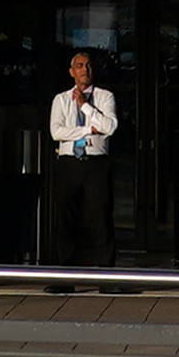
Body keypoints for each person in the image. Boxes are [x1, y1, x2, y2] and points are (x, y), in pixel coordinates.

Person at [39, 50, 124, 266]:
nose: (84, 70)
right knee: (65, 220)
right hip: (69, 163)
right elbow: (56, 132)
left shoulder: (105, 97)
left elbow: (109, 127)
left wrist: (84, 106)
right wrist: (88, 130)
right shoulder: (60, 99)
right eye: (79, 66)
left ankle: (107, 276)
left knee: (100, 219)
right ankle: (64, 276)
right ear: (71, 72)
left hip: (96, 163)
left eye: (87, 66)